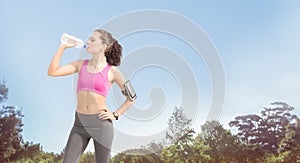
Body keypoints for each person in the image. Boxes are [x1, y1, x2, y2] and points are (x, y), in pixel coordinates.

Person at [48, 29, 136, 163]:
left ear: (103, 47)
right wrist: (62, 47)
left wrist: (116, 114)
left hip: (101, 124)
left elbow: (132, 97)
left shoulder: (112, 71)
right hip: (79, 124)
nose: (88, 42)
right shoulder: (80, 65)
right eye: (88, 39)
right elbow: (53, 72)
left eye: (93, 40)